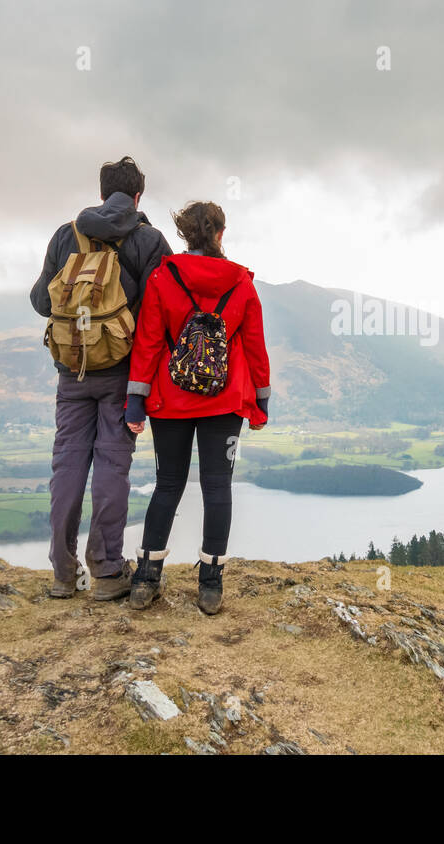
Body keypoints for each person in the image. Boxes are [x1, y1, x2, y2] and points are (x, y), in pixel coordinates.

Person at [29, 157, 170, 601]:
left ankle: (62, 574)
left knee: (67, 465)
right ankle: (107, 573)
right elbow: (157, 317)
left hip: (72, 373)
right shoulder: (149, 240)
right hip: (122, 376)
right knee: (113, 467)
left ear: (101, 191)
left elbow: (39, 301)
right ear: (138, 196)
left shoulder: (65, 235)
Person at [123, 200, 270, 613]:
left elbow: (149, 343)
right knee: (217, 485)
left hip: (170, 402)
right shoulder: (241, 283)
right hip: (223, 403)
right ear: (221, 234)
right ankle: (210, 585)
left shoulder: (162, 278)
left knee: (168, 483)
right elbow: (255, 346)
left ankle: (145, 579)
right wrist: (260, 402)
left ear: (186, 235)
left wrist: (135, 402)